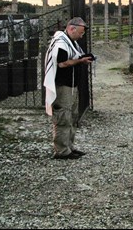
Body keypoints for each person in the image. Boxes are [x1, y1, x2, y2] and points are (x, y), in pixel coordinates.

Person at [43, 17, 93, 160]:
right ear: (72, 28)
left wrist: (82, 58)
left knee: (72, 115)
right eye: (81, 33)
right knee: (63, 116)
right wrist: (80, 61)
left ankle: (69, 146)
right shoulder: (61, 43)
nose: (81, 36)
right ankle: (61, 150)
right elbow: (62, 63)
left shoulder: (70, 42)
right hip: (63, 85)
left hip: (70, 84)